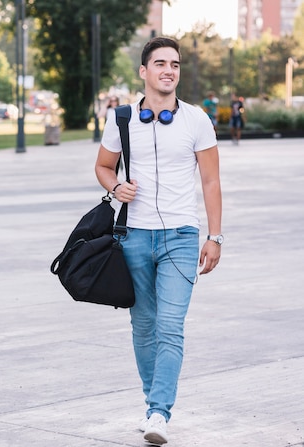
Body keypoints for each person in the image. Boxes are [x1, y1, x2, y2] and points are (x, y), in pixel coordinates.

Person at [95, 37, 222, 445]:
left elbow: (211, 180)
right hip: (133, 236)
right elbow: (102, 166)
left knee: (170, 325)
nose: (169, 70)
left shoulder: (196, 120)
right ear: (144, 71)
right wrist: (116, 188)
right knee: (144, 325)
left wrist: (214, 235)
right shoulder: (121, 119)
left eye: (176, 64)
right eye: (161, 63)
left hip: (181, 238)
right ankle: (153, 403)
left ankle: (159, 412)